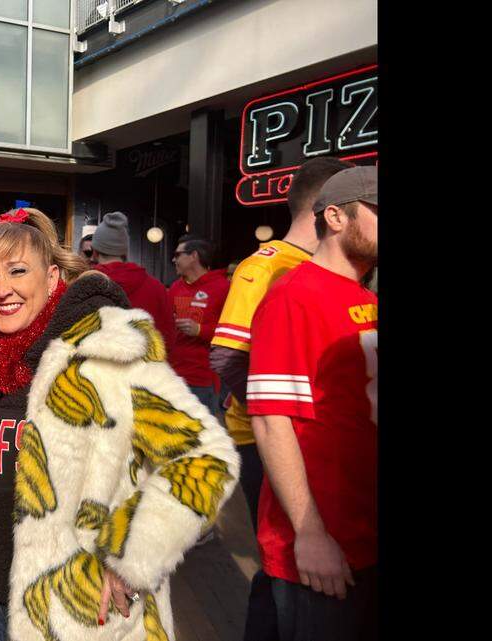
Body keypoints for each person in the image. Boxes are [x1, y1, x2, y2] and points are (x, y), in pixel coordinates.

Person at [0, 207, 239, 641]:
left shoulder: (101, 352)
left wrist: (133, 555)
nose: (2, 289)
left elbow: (205, 456)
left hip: (71, 612)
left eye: (17, 271)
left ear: (51, 279)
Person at [209, 156, 353, 641]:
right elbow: (227, 355)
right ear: (330, 206)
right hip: (267, 440)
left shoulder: (330, 269)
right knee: (286, 560)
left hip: (304, 439)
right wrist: (273, 416)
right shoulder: (267, 265)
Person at [247, 166, 378, 641]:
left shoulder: (361, 295)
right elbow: (270, 420)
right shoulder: (294, 296)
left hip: (363, 535)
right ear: (337, 217)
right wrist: (310, 533)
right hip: (324, 546)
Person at [88, 210, 175, 345]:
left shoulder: (84, 285)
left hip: (92, 364)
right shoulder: (156, 289)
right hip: (145, 364)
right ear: (125, 251)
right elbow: (168, 340)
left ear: (94, 251)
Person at [168, 235, 229, 413]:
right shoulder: (175, 288)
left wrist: (200, 330)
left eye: (178, 255)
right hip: (172, 377)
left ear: (193, 255)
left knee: (202, 437)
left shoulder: (222, 288)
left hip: (202, 380)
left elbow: (231, 332)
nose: (174, 259)